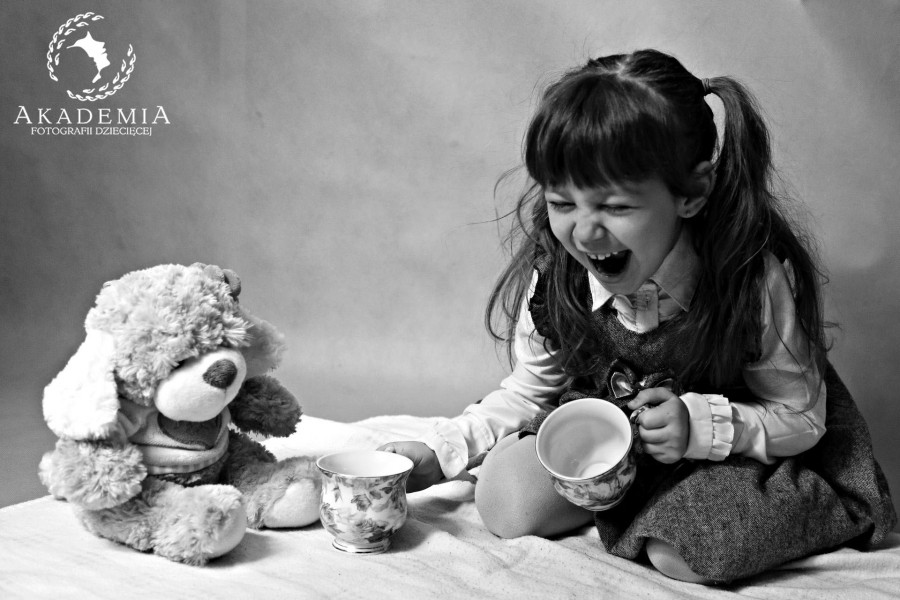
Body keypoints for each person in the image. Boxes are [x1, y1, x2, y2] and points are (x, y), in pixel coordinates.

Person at [378, 49, 896, 584]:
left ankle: (807, 506)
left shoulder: (749, 281)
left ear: (692, 193)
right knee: (506, 499)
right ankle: (639, 499)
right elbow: (530, 393)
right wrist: (442, 451)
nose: (585, 232)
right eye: (563, 203)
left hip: (735, 452)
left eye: (616, 207)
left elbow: (800, 417)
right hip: (620, 441)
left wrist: (698, 426)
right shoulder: (557, 274)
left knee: (688, 550)